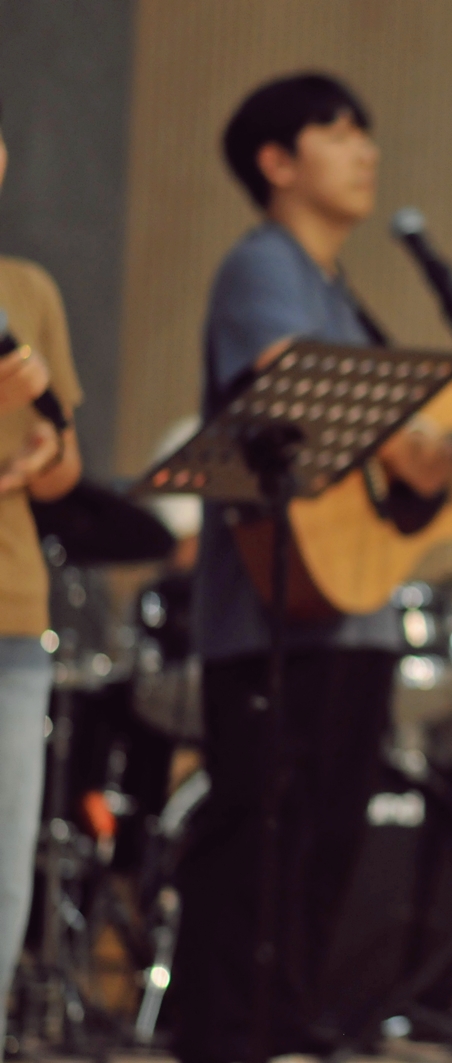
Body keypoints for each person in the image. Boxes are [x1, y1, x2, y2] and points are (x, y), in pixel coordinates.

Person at [171, 73, 452, 1063]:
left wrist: (431, 459)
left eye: (365, 133)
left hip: (353, 604)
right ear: (277, 162)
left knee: (325, 836)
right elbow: (286, 389)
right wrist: (408, 438)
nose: (365, 151)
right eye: (338, 133)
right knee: (261, 836)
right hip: (272, 613)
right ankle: (224, 1036)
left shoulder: (337, 290)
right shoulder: (263, 263)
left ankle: (287, 1025)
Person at [0, 96, 85, 1050]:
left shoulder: (26, 290)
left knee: (3, 875)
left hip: (11, 615)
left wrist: (45, 441)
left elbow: (64, 469)